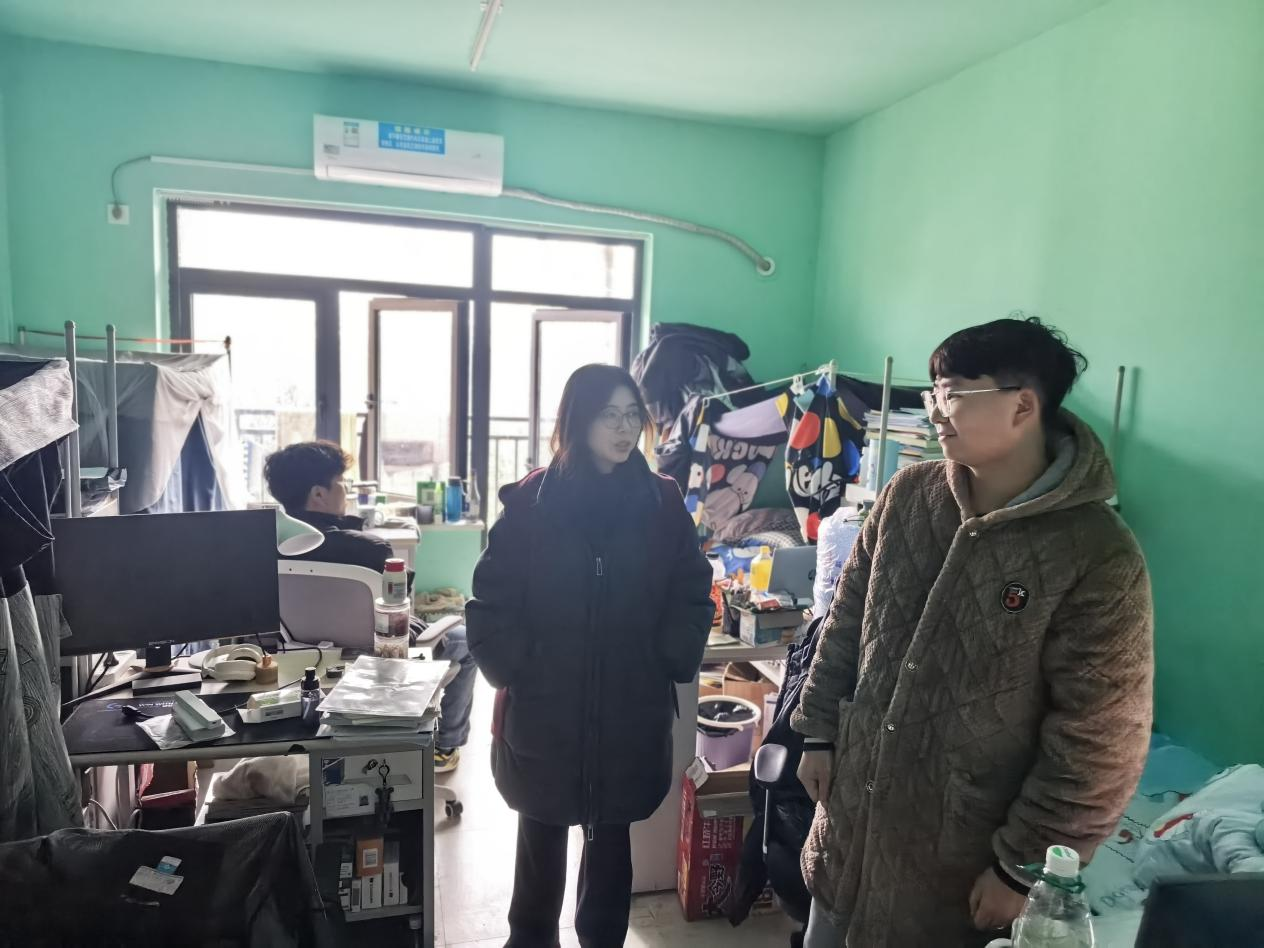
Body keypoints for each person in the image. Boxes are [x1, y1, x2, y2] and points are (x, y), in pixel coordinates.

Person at [792, 317, 1154, 947]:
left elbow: (1099, 734)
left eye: (954, 393)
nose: (935, 410)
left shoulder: (1096, 552)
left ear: (1023, 406)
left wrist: (1023, 866)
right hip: (852, 823)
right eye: (933, 392)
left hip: (957, 859)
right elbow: (847, 620)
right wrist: (818, 731)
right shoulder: (909, 496)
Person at [465, 364, 714, 948]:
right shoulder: (533, 501)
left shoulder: (660, 501)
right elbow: (491, 598)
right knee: (540, 833)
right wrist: (516, 667)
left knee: (610, 839)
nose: (625, 429)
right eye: (610, 415)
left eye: (632, 416)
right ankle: (530, 939)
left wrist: (668, 657)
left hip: (630, 703)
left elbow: (692, 588)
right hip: (546, 706)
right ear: (578, 420)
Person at [263, 441, 475, 774]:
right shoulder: (367, 549)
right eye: (341, 482)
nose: (346, 490)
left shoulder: (266, 547)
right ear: (318, 493)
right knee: (465, 639)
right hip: (378, 657)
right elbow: (398, 606)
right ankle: (445, 747)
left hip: (298, 660)